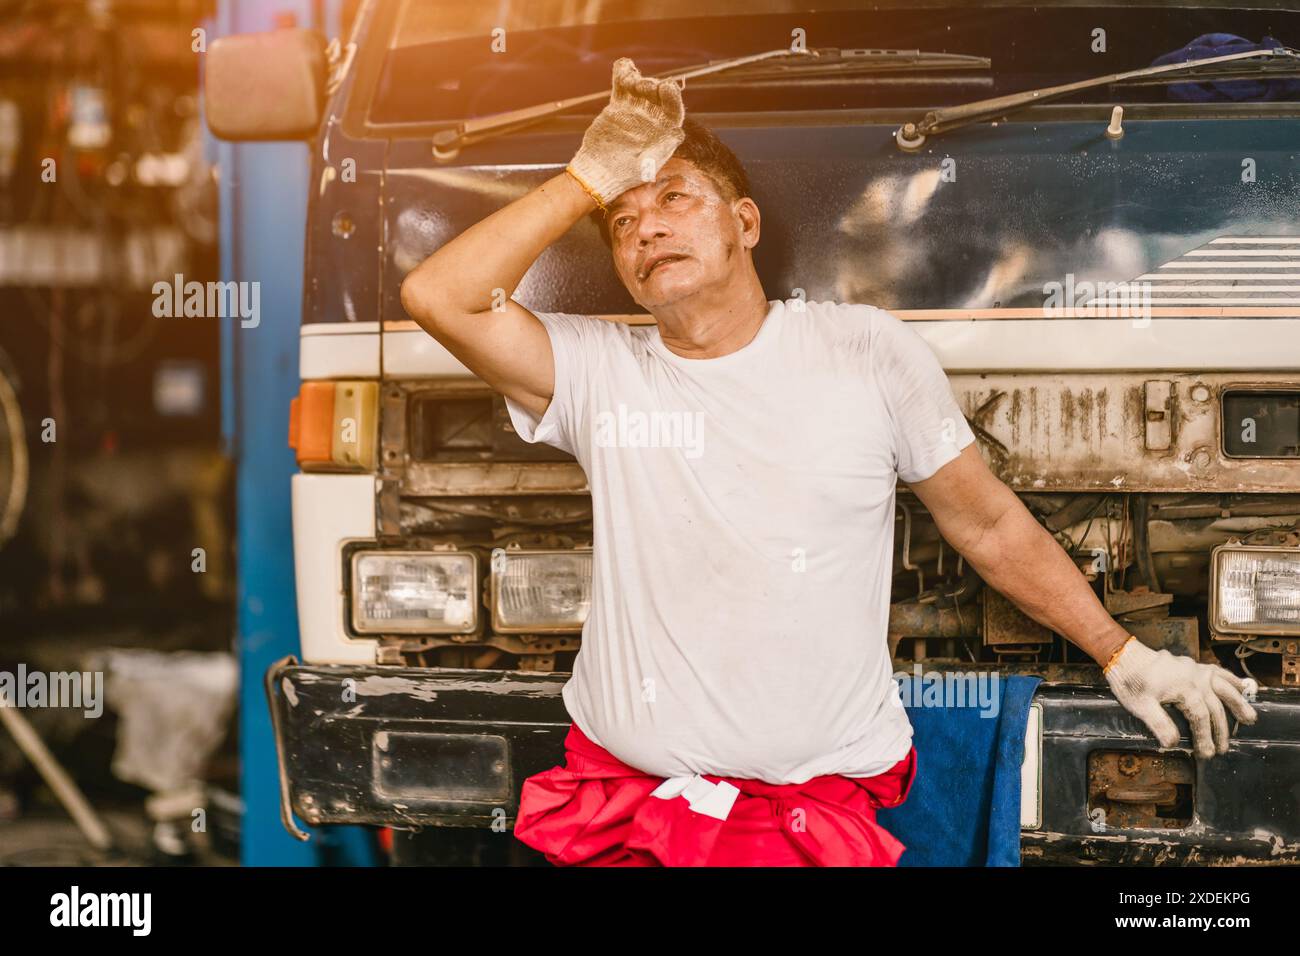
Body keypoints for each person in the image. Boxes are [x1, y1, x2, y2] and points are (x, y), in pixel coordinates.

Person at [399, 58, 1258, 866]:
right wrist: (592, 170)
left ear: (744, 223)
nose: (647, 225)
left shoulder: (865, 352)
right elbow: (438, 296)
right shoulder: (597, 370)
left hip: (813, 818)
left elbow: (986, 521)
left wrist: (1126, 656)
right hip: (628, 811)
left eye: (673, 197)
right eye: (621, 222)